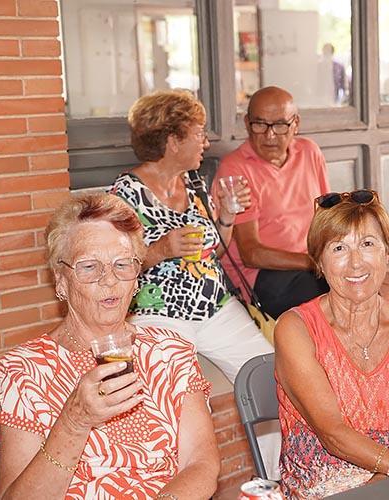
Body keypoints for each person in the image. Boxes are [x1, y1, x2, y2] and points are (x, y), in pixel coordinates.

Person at [0, 193, 219, 498]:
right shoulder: (24, 371)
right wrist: (74, 421)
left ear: (137, 277)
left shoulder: (170, 351)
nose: (109, 280)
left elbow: (201, 463)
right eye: (89, 267)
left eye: (122, 264)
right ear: (61, 280)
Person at [110, 89, 280, 479]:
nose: (205, 142)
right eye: (198, 133)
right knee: (176, 401)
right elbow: (114, 266)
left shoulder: (194, 183)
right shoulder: (125, 195)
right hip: (159, 315)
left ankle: (275, 482)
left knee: (270, 377)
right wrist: (160, 249)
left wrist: (227, 217)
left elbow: (214, 253)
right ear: (173, 140)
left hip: (215, 307)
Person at [275, 190, 389, 498]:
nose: (355, 263)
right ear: (319, 262)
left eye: (367, 244)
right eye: (339, 248)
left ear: (387, 252)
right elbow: (332, 434)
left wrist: (387, 482)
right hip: (322, 482)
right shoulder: (296, 330)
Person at [212, 86, 330, 319]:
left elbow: (327, 215)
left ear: (295, 124)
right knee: (320, 300)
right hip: (261, 274)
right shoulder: (235, 168)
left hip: (307, 263)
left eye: (280, 125)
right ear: (247, 124)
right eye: (259, 124)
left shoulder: (309, 152)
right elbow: (251, 254)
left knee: (358, 288)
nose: (269, 135)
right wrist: (313, 263)